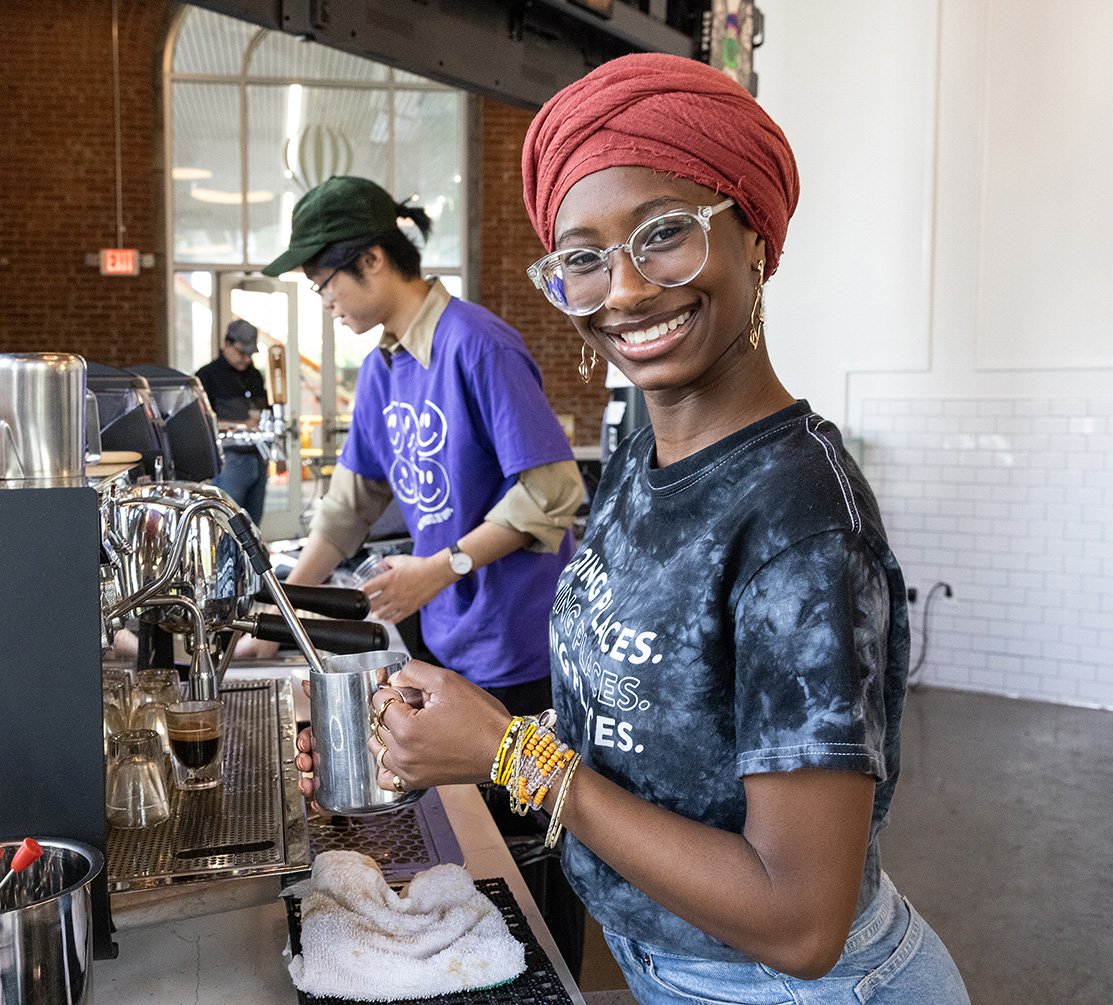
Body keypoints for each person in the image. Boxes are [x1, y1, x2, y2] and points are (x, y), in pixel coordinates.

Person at [297, 55, 974, 1003]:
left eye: (664, 234)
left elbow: (800, 920)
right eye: (583, 257)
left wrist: (509, 753)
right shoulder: (638, 464)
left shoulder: (798, 516)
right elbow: (641, 728)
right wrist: (446, 732)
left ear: (755, 239)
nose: (621, 289)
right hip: (670, 970)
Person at [257, 175, 584, 712]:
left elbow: (553, 491)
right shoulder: (380, 370)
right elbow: (348, 509)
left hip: (522, 645)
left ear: (371, 260)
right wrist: (277, 619)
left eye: (323, 283)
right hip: (448, 638)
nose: (325, 302)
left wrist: (438, 570)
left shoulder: (478, 344)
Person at [196, 318, 270, 523]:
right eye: (241, 353)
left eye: (250, 354)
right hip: (229, 459)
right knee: (227, 526)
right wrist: (242, 425)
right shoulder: (207, 376)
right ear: (227, 344)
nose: (246, 359)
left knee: (253, 528)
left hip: (258, 456)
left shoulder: (254, 375)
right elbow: (201, 422)